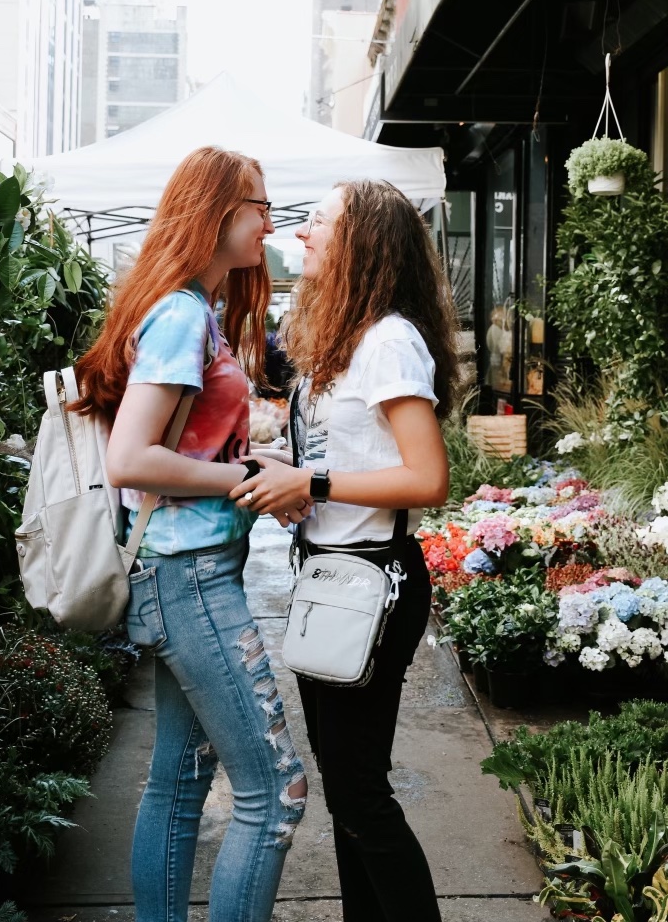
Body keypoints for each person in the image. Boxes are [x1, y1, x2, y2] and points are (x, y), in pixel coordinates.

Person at [72, 146, 309, 922]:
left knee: (177, 783)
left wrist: (246, 458)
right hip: (190, 577)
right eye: (259, 206)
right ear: (216, 212)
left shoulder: (191, 308)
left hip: (189, 572)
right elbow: (132, 459)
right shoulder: (179, 312)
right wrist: (243, 480)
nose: (271, 221)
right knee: (276, 793)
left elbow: (181, 449)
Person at [230, 179, 460, 922]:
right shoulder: (351, 336)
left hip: (371, 585)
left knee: (360, 791)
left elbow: (427, 478)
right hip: (333, 576)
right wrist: (294, 483)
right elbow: (347, 461)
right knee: (346, 785)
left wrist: (315, 481)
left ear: (361, 240)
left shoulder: (389, 339)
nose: (301, 233)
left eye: (318, 222)